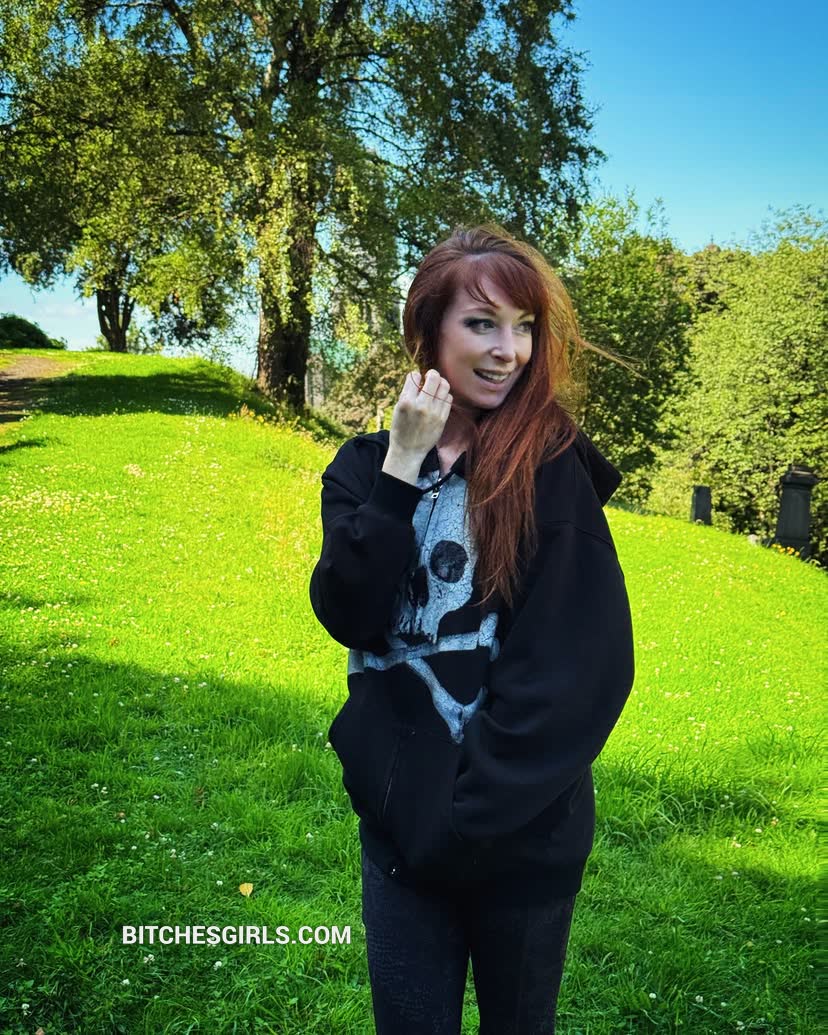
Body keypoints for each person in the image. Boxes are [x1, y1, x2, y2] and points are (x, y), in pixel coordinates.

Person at [309, 223, 636, 1034]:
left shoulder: (549, 469)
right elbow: (350, 612)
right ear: (428, 329)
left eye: (523, 326)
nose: (509, 351)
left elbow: (576, 675)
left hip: (522, 846)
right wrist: (401, 469)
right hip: (399, 841)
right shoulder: (362, 468)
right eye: (482, 323)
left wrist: (460, 819)